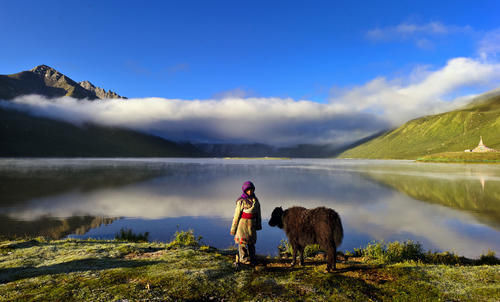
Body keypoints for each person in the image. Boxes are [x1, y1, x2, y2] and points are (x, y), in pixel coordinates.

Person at [230, 181, 262, 265]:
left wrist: (258, 224)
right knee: (242, 243)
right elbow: (236, 216)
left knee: (251, 243)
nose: (250, 191)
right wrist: (233, 229)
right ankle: (243, 259)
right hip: (242, 225)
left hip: (252, 226)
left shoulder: (256, 200)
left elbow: (258, 214)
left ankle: (253, 258)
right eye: (248, 190)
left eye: (251, 189)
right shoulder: (241, 201)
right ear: (245, 190)